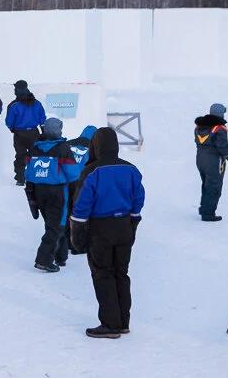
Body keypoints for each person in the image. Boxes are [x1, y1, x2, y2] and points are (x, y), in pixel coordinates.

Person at [70, 127, 144, 339]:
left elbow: (82, 205)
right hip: (124, 226)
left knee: (103, 274)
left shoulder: (92, 171)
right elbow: (139, 197)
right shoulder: (131, 169)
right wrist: (133, 220)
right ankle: (123, 322)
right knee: (121, 273)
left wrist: (77, 232)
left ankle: (111, 324)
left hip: (100, 229)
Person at [24, 118, 76, 272]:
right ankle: (43, 259)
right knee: (57, 226)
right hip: (57, 192)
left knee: (52, 224)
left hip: (38, 191)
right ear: (59, 130)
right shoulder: (63, 148)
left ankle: (61, 256)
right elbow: (73, 173)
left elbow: (28, 169)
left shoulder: (35, 147)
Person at [194, 103, 228, 222]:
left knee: (206, 185)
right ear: (221, 114)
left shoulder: (199, 127)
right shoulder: (219, 128)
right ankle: (208, 214)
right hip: (213, 162)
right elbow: (223, 148)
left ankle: (204, 210)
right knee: (214, 187)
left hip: (200, 160)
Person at [62, 125, 98, 258]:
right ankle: (77, 245)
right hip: (83, 184)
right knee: (79, 214)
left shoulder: (69, 143)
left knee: (66, 211)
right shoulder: (95, 148)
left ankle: (65, 242)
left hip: (66, 182)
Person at [4, 80, 46, 186]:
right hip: (34, 133)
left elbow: (9, 121)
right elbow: (42, 118)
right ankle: (35, 176)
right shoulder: (36, 103)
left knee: (20, 156)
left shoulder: (14, 105)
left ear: (17, 89)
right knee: (35, 155)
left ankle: (20, 178)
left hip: (19, 134)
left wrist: (12, 129)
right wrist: (43, 131)